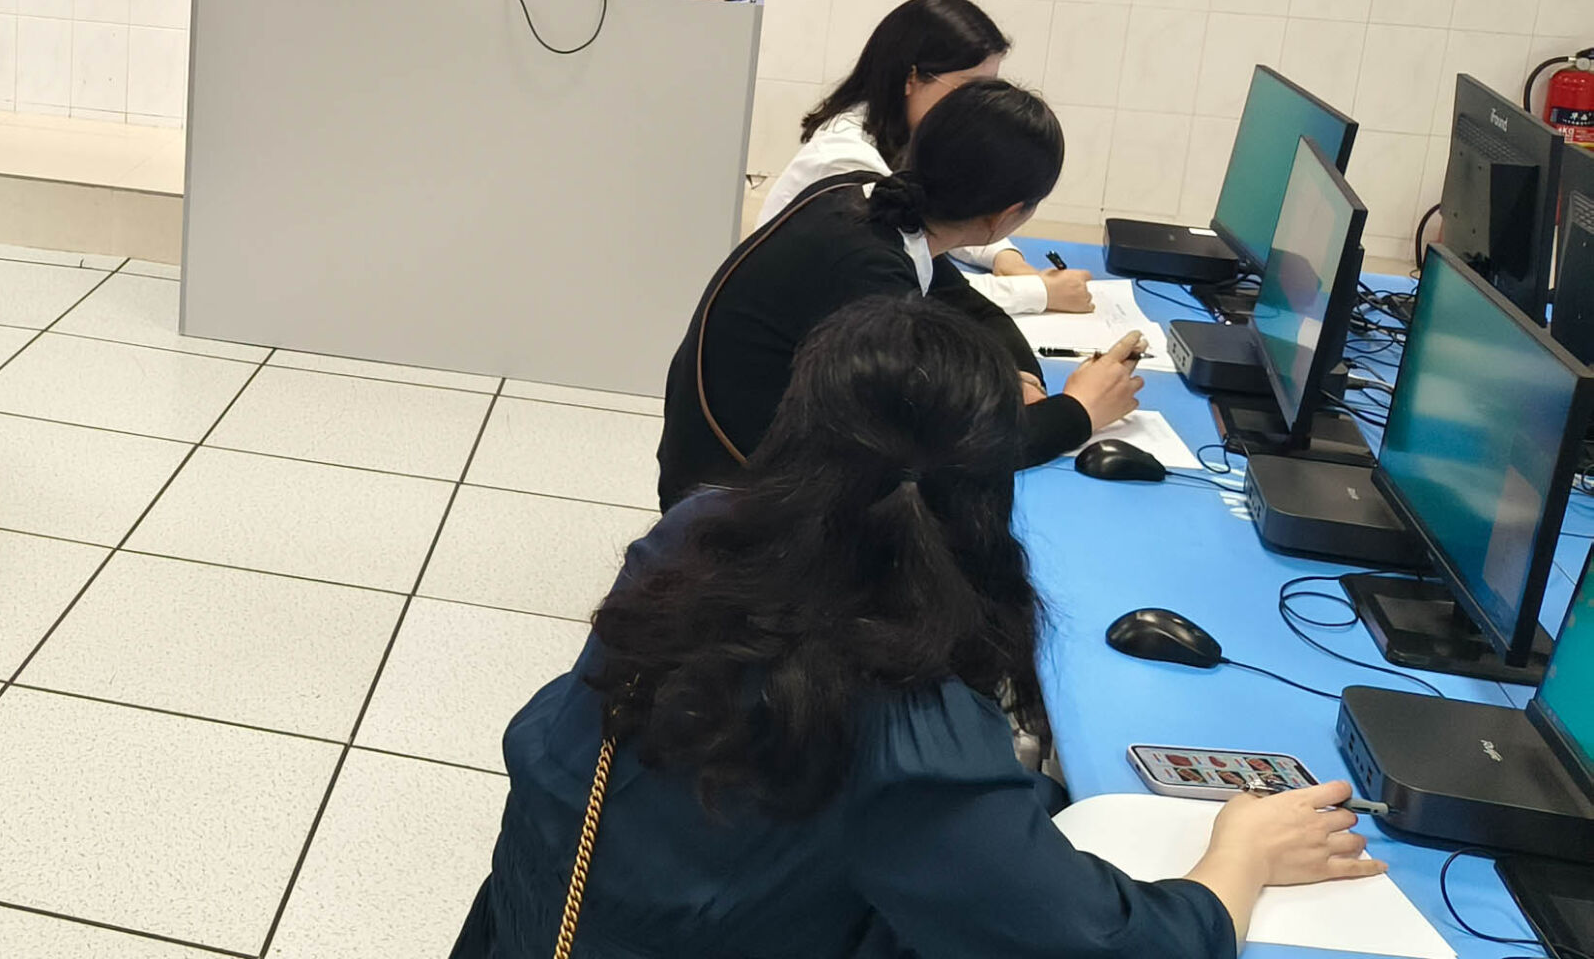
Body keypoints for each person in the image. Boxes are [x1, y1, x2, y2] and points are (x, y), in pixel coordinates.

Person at [458, 295, 1382, 959]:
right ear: (982, 493)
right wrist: (1239, 859)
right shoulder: (901, 724)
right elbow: (1096, 946)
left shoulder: (696, 531)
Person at [659, 79, 1140, 508]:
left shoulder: (868, 202)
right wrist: (1078, 412)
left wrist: (1018, 377)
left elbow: (972, 309)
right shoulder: (873, 274)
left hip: (729, 461)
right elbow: (943, 449)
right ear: (1006, 215)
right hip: (730, 505)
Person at [761, 0, 1088, 317]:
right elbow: (911, 286)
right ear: (912, 77)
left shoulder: (903, 132)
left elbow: (944, 215)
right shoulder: (847, 162)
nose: (979, 105)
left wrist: (1005, 257)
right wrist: (1040, 292)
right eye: (968, 88)